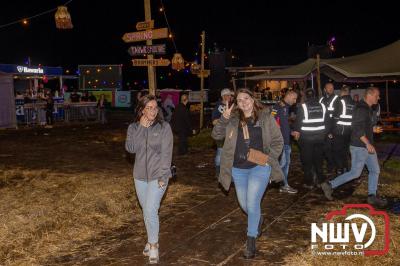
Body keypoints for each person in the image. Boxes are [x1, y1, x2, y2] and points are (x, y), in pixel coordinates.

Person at [212, 88, 284, 259]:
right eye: (239, 100)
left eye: (246, 98)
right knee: (245, 205)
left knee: (252, 204)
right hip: (238, 168)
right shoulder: (233, 119)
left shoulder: (265, 117)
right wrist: (224, 118)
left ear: (253, 99)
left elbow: (278, 141)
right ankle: (257, 218)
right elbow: (216, 135)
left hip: (259, 166)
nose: (243, 102)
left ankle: (251, 240)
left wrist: (268, 159)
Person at [125, 95, 173, 264]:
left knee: (151, 210)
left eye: (155, 107)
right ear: (142, 110)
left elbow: (167, 153)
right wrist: (141, 129)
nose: (153, 110)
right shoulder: (133, 127)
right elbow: (131, 149)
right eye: (149, 107)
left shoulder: (164, 127)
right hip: (139, 177)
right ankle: (150, 239)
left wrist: (163, 175)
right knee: (146, 210)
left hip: (158, 176)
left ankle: (154, 245)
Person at [321, 87, 387, 207]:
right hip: (360, 146)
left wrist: (372, 129)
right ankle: (330, 185)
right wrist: (367, 143)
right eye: (377, 95)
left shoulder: (366, 108)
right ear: (370, 95)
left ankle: (372, 196)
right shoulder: (361, 109)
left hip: (366, 146)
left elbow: (363, 126)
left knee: (375, 170)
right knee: (355, 173)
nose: (379, 98)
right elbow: (356, 129)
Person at [292, 89, 328, 189]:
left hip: (306, 139)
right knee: (318, 160)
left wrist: (295, 133)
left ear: (306, 97)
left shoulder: (302, 107)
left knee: (307, 161)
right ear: (315, 96)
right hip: (320, 138)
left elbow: (298, 123)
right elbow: (327, 121)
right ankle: (320, 181)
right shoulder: (322, 106)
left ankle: (309, 182)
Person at [272, 90, 298, 193]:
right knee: (283, 164)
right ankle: (282, 184)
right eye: (294, 98)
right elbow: (272, 120)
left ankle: (281, 184)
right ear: (288, 96)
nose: (295, 101)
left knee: (285, 163)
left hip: (286, 141)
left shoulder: (286, 107)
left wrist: (291, 132)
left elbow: (284, 124)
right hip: (280, 142)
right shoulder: (278, 106)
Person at [332, 85, 355, 175]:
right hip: (349, 131)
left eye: (341, 92)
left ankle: (339, 168)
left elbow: (335, 116)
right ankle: (346, 167)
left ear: (343, 91)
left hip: (339, 130)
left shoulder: (340, 101)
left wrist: (332, 129)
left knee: (337, 150)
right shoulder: (353, 103)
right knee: (345, 150)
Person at [211, 88, 234, 177]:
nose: (228, 97)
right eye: (226, 95)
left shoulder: (233, 106)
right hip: (221, 134)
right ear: (222, 96)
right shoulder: (218, 107)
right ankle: (218, 171)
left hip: (231, 134)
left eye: (229, 95)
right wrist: (224, 118)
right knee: (220, 154)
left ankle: (229, 172)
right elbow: (214, 121)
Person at [319, 83, 339, 174]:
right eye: (328, 87)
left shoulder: (336, 99)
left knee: (330, 148)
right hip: (322, 128)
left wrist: (332, 130)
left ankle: (332, 166)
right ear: (325, 89)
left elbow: (337, 116)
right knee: (324, 148)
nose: (330, 89)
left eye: (332, 87)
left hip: (331, 128)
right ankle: (330, 164)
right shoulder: (321, 99)